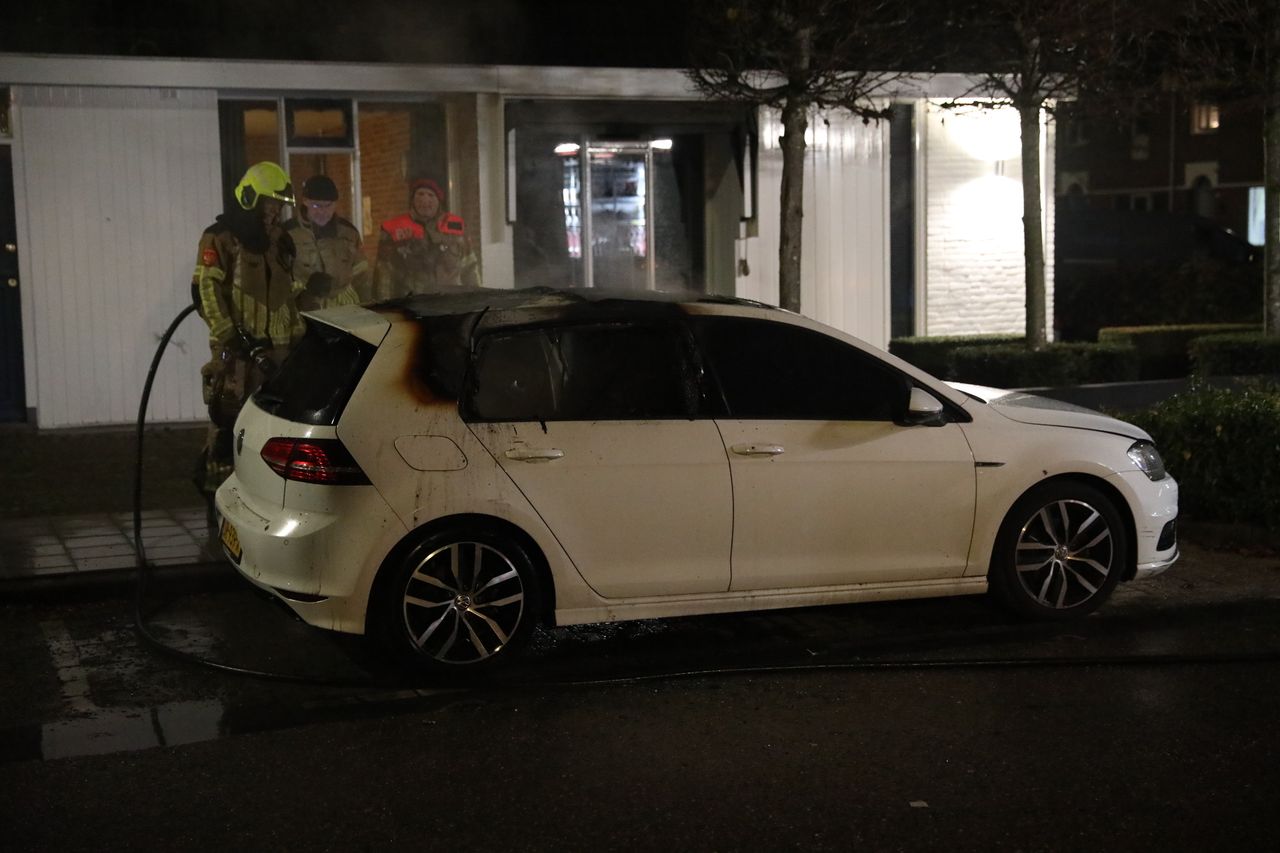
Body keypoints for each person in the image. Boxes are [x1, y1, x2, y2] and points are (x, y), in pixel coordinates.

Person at [191, 161, 302, 500]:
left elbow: (287, 293)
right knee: (228, 417)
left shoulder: (281, 240)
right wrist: (229, 334)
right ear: (251, 198)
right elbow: (204, 290)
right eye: (270, 204)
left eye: (279, 206)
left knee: (271, 422)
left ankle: (261, 490)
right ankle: (218, 490)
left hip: (277, 350)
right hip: (236, 351)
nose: (274, 213)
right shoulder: (221, 237)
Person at [372, 177, 481, 298]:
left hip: (451, 306)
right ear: (412, 199)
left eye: (430, 195)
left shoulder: (456, 228)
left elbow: (470, 268)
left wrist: (478, 304)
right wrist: (384, 310)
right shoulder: (393, 229)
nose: (425, 200)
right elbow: (384, 275)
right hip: (412, 308)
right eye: (420, 194)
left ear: (439, 200)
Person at [283, 174, 370, 311]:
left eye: (328, 205)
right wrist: (304, 294)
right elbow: (279, 281)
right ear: (305, 201)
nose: (323, 212)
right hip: (305, 314)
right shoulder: (288, 233)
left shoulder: (348, 233)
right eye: (317, 205)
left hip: (345, 312)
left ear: (335, 204)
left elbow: (363, 277)